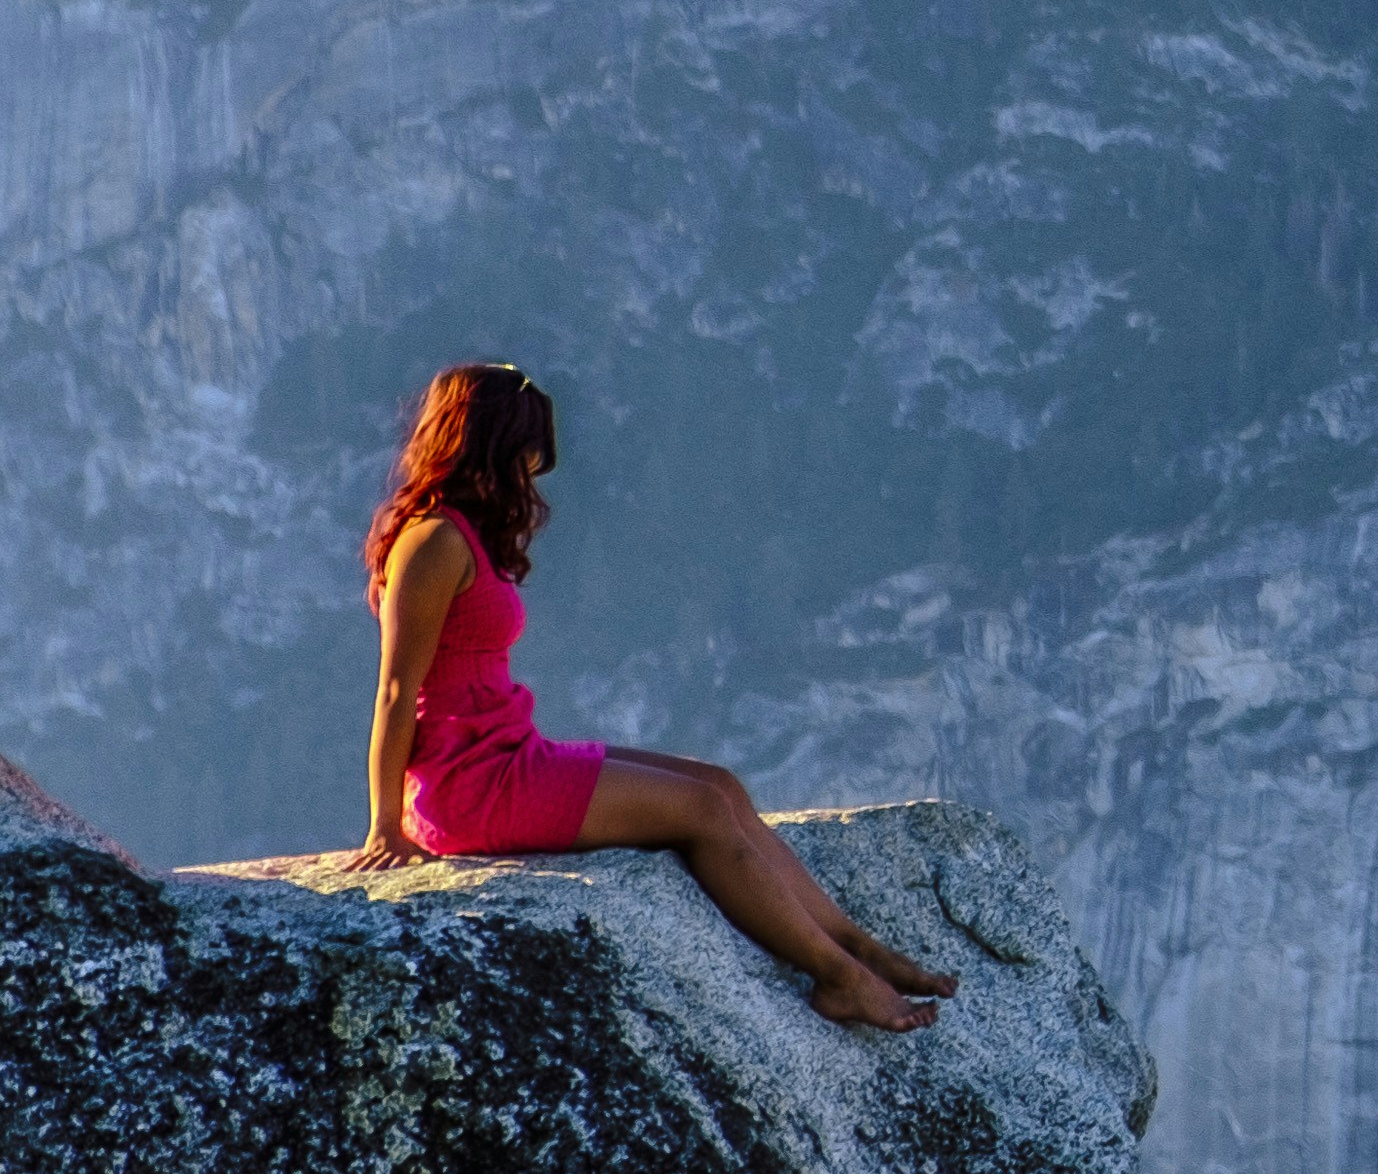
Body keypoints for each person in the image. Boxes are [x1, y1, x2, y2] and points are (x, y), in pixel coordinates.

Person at [344, 361, 958, 1034]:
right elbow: (397, 690)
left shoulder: (466, 534)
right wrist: (386, 826)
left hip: (512, 752)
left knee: (718, 784)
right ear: (487, 443)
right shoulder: (432, 542)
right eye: (525, 452)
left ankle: (857, 948)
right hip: (470, 786)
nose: (530, 470)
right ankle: (839, 979)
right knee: (699, 811)